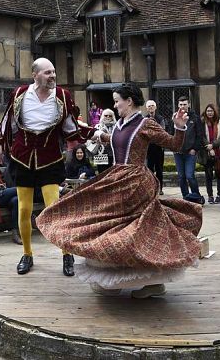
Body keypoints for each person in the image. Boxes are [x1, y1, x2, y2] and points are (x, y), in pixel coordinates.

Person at [37, 83, 201, 299]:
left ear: (129, 101)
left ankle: (150, 282)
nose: (114, 106)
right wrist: (94, 134)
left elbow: (174, 145)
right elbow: (115, 141)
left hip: (135, 184)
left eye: (117, 101)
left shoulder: (145, 123)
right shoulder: (119, 124)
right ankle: (114, 279)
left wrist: (179, 127)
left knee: (134, 231)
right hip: (117, 178)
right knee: (103, 222)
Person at [0, 57, 94, 276]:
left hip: (49, 158)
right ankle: (27, 254)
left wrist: (94, 134)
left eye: (54, 72)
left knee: (54, 208)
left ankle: (67, 254)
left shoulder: (62, 96)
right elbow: (9, 121)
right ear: (35, 75)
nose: (53, 76)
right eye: (48, 72)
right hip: (23, 158)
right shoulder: (20, 94)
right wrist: (1, 144)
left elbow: (71, 126)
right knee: (24, 209)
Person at [173, 96, 204, 203]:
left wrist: (195, 149)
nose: (183, 106)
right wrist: (173, 147)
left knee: (190, 176)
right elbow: (170, 133)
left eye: (185, 104)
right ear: (178, 105)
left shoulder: (195, 118)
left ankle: (196, 197)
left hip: (190, 152)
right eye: (181, 104)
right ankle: (186, 198)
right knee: (181, 176)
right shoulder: (175, 117)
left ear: (189, 105)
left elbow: (199, 135)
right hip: (178, 152)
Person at [199, 104, 220, 204]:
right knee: (208, 175)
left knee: (219, 174)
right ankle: (210, 195)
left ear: (215, 112)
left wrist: (213, 145)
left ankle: (219, 195)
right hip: (206, 152)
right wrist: (209, 147)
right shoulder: (202, 123)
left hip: (218, 151)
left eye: (211, 111)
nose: (209, 113)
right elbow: (201, 136)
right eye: (208, 111)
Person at [145, 100, 167, 193]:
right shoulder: (144, 119)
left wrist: (151, 133)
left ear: (156, 107)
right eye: (149, 106)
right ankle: (151, 188)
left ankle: (159, 188)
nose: (151, 107)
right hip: (148, 148)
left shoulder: (160, 118)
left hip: (158, 147)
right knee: (149, 169)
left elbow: (162, 131)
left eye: (152, 106)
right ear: (146, 108)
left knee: (159, 169)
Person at [89, 108, 116, 173]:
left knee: (111, 173)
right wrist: (98, 136)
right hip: (101, 154)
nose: (108, 117)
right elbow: (91, 138)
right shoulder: (98, 126)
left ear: (113, 117)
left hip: (113, 153)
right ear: (102, 116)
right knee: (101, 173)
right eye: (106, 115)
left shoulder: (116, 126)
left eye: (110, 116)